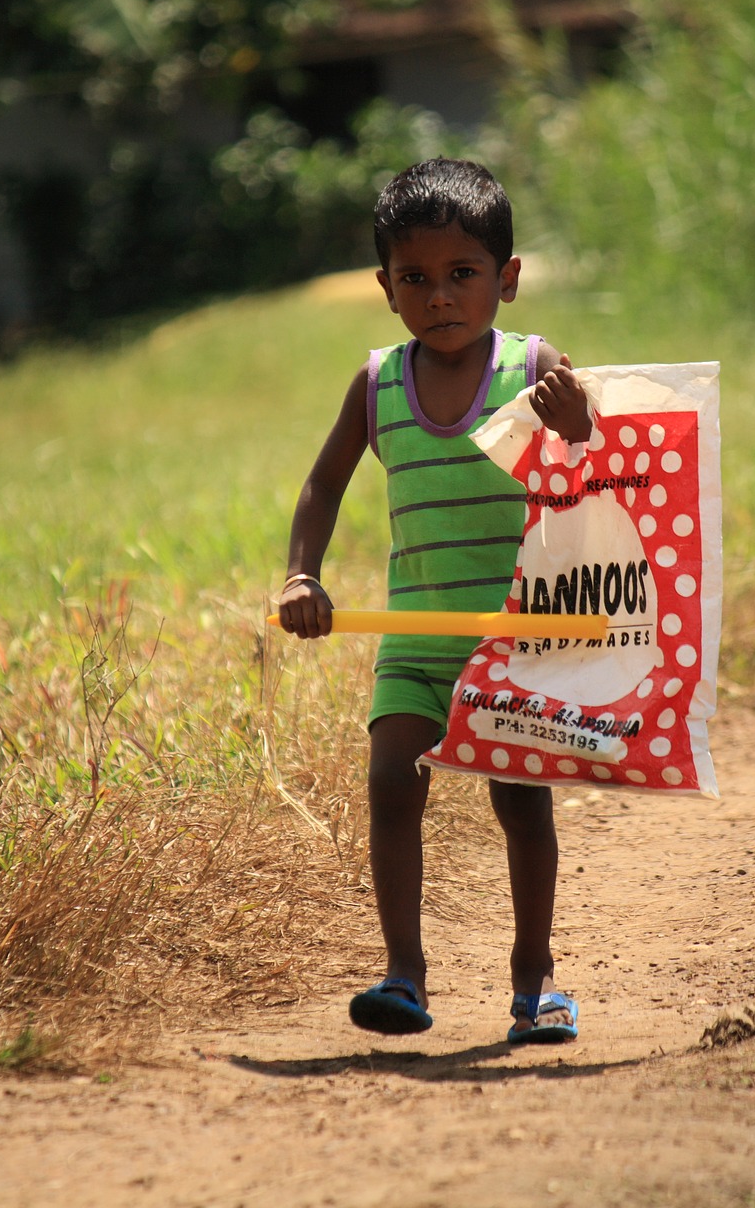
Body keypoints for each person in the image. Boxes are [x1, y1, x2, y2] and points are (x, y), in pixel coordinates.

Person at [278, 158, 592, 1043]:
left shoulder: (535, 370)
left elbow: (598, 485)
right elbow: (322, 486)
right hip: (414, 639)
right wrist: (303, 573)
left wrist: (576, 426)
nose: (440, 297)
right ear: (385, 288)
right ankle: (403, 976)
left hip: (513, 646)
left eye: (463, 275)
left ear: (508, 278)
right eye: (415, 278)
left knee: (519, 806)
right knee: (389, 784)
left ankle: (535, 981)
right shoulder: (377, 385)